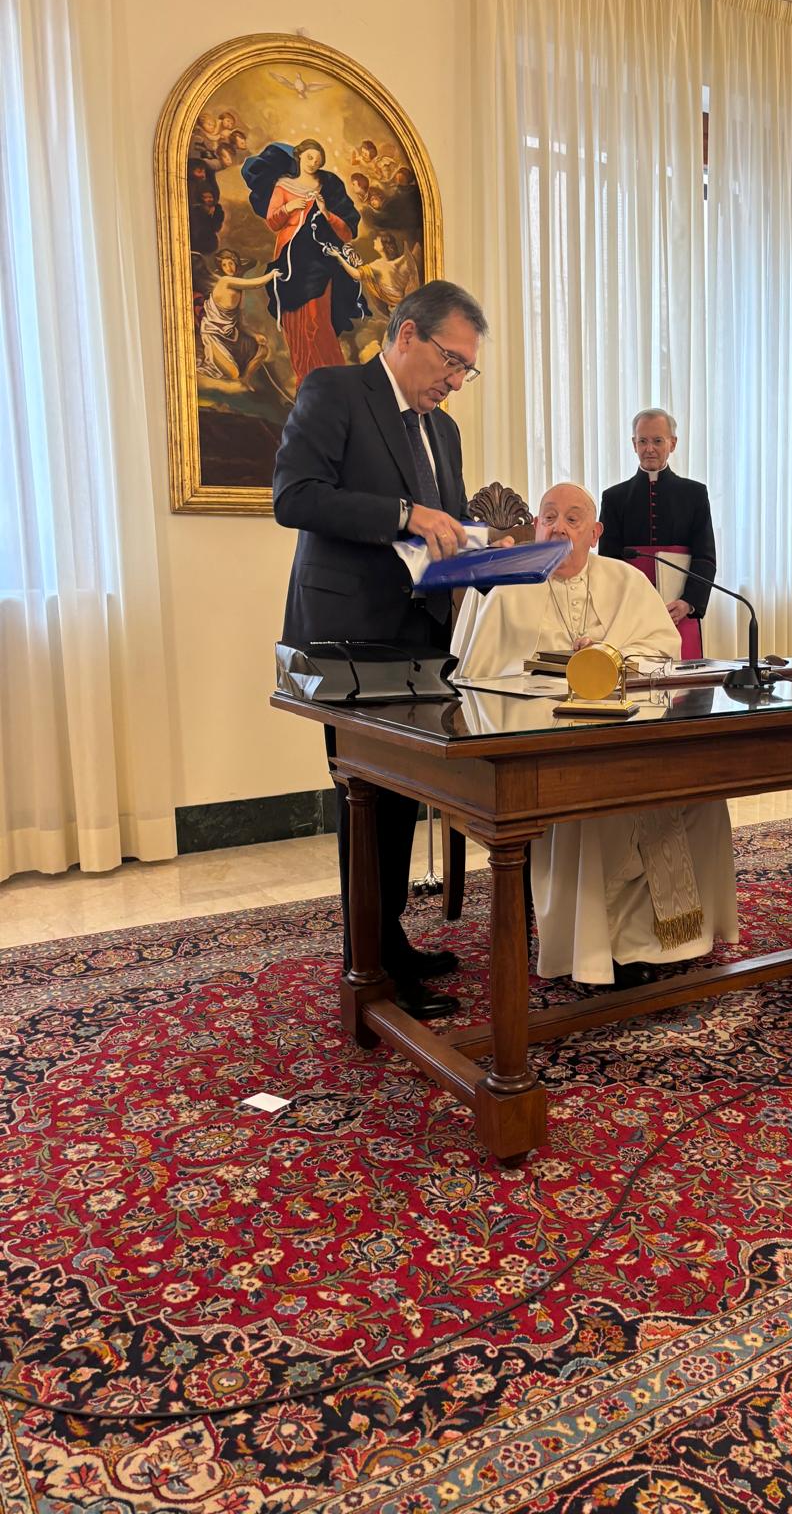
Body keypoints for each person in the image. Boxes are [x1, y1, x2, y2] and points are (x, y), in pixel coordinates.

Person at [274, 280, 488, 1019]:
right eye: (451, 362)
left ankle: (387, 938)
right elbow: (293, 497)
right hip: (347, 638)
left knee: (403, 800)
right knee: (366, 798)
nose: (455, 381)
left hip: (423, 638)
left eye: (467, 371)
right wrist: (402, 512)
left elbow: (444, 530)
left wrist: (488, 554)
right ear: (405, 336)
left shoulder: (446, 433)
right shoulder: (334, 392)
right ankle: (369, 961)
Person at [451, 483, 739, 989]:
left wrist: (611, 655)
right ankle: (603, 952)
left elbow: (662, 653)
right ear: (536, 529)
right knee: (595, 812)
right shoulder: (508, 591)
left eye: (573, 518)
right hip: (545, 749)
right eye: (549, 517)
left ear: (595, 533)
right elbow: (474, 682)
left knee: (699, 795)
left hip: (630, 733)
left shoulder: (626, 581)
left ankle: (676, 937)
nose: (559, 527)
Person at [242, 139, 368, 387]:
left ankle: (330, 375)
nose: (314, 163)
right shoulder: (284, 186)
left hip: (319, 258)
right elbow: (273, 223)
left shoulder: (328, 188)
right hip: (291, 256)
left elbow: (345, 231)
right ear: (299, 157)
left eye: (318, 160)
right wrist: (289, 206)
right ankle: (305, 377)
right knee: (294, 318)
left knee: (317, 315)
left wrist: (326, 212)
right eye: (310, 157)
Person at [598, 409, 716, 659]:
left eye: (657, 441)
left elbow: (705, 556)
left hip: (679, 610)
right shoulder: (614, 498)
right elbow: (607, 561)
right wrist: (624, 606)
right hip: (630, 612)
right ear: (633, 444)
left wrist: (688, 602)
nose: (649, 448)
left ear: (673, 443)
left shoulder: (694, 494)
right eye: (642, 441)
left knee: (684, 689)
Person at [195, 249, 276, 391]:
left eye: (231, 263)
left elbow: (240, 322)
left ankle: (246, 380)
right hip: (214, 336)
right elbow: (255, 283)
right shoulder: (225, 282)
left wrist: (255, 335)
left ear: (236, 264)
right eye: (225, 265)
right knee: (233, 374)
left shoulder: (239, 291)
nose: (228, 268)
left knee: (263, 351)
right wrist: (272, 274)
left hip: (232, 335)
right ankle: (236, 378)